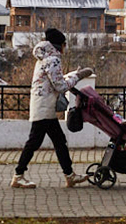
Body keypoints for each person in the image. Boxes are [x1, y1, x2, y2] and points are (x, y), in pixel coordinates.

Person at [11, 28, 94, 189]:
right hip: (44, 107)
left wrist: (71, 76)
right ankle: (18, 176)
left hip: (41, 104)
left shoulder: (44, 58)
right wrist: (78, 76)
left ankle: (69, 176)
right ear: (59, 45)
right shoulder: (53, 60)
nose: (65, 48)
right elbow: (60, 86)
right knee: (35, 142)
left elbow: (54, 80)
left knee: (58, 141)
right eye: (64, 44)